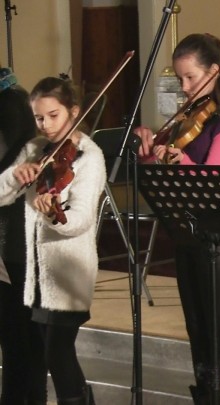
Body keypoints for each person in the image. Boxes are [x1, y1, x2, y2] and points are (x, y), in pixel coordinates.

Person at [135, 33, 220, 405]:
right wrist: (149, 154)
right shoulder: (190, 116)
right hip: (188, 228)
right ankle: (206, 396)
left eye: (191, 77)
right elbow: (167, 175)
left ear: (214, 71)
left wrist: (180, 159)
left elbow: (211, 180)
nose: (184, 87)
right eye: (180, 78)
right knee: (197, 326)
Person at [0, 76, 106, 404]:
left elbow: (81, 218)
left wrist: (54, 214)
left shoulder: (89, 156)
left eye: (53, 116)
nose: (45, 125)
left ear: (73, 111)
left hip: (67, 269)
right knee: (40, 351)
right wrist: (14, 176)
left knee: (57, 354)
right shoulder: (34, 149)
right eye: (39, 117)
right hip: (34, 270)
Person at [0, 65, 44, 404]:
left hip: (13, 239)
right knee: (25, 337)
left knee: (17, 336)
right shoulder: (14, 99)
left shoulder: (9, 107)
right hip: (17, 239)